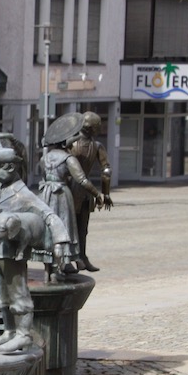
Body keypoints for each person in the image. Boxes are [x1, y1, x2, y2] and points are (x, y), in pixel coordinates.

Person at [0, 147, 71, 353]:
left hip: (12, 254)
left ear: (10, 167)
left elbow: (50, 215)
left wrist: (61, 241)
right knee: (1, 296)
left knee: (18, 294)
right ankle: (9, 331)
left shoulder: (24, 195)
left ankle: (23, 335)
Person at [36, 112, 105, 278]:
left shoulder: (44, 158)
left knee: (51, 229)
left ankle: (51, 268)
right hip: (63, 194)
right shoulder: (68, 158)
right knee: (67, 229)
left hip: (46, 193)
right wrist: (98, 194)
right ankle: (63, 263)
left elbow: (44, 175)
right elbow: (81, 179)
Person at [68, 111, 113, 272]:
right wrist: (105, 193)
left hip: (77, 190)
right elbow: (106, 171)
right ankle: (74, 258)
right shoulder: (77, 144)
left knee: (78, 228)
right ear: (91, 128)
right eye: (97, 127)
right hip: (77, 190)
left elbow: (106, 170)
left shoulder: (72, 144)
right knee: (74, 227)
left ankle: (81, 257)